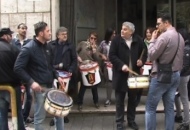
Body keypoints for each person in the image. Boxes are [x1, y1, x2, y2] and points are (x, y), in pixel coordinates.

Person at [14, 21, 65, 130]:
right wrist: (31, 82)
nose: (50, 33)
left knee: (59, 114)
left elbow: (50, 66)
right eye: (48, 31)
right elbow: (18, 68)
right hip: (39, 89)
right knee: (40, 118)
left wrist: (57, 76)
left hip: (51, 86)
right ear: (41, 33)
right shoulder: (28, 48)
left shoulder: (48, 47)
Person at [145, 13, 184, 130]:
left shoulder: (164, 36)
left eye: (158, 24)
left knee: (150, 107)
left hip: (161, 76)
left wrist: (152, 40)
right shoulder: (180, 36)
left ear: (166, 23)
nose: (157, 27)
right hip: (175, 74)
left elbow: (151, 55)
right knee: (169, 107)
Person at [109, 22, 147, 130]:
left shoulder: (138, 40)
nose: (122, 31)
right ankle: (119, 122)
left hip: (133, 75)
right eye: (122, 28)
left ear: (131, 32)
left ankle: (131, 120)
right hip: (120, 75)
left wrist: (141, 61)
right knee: (119, 100)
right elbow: (111, 55)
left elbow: (145, 52)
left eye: (125, 29)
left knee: (132, 100)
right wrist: (121, 65)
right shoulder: (116, 40)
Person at [48, 27, 77, 124]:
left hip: (66, 75)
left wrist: (71, 69)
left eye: (66, 34)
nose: (65, 36)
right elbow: (48, 60)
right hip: (54, 73)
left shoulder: (70, 46)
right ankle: (54, 117)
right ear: (58, 35)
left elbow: (74, 60)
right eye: (63, 34)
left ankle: (64, 116)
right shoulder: (51, 45)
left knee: (65, 95)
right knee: (54, 95)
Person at [0, 28, 26, 130]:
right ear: (6, 36)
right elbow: (20, 67)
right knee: (18, 112)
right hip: (13, 87)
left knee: (2, 113)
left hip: (0, 88)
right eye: (10, 35)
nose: (11, 38)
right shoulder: (13, 49)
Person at [12, 23, 33, 124]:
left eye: (25, 28)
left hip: (27, 73)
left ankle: (25, 116)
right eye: (22, 28)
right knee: (18, 97)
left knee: (29, 96)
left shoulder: (29, 42)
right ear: (18, 30)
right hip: (16, 73)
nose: (24, 30)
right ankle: (18, 118)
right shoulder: (12, 42)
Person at [77, 31, 102, 110]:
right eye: (91, 38)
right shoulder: (82, 44)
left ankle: (96, 102)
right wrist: (77, 57)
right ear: (88, 38)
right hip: (83, 67)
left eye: (95, 39)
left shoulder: (97, 47)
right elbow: (75, 51)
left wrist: (94, 51)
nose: (93, 40)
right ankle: (80, 103)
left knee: (93, 85)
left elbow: (98, 59)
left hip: (91, 68)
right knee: (83, 86)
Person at [174, 28, 190, 130]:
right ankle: (179, 115)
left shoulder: (185, 48)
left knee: (184, 98)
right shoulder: (184, 47)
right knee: (176, 95)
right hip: (182, 75)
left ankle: (186, 122)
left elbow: (185, 66)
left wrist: (177, 73)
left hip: (182, 76)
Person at [98, 28, 116, 107]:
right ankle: (108, 99)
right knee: (109, 82)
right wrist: (102, 55)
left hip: (115, 64)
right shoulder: (103, 43)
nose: (114, 35)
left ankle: (117, 98)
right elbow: (98, 52)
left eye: (115, 34)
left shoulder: (116, 42)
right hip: (106, 64)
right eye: (113, 34)